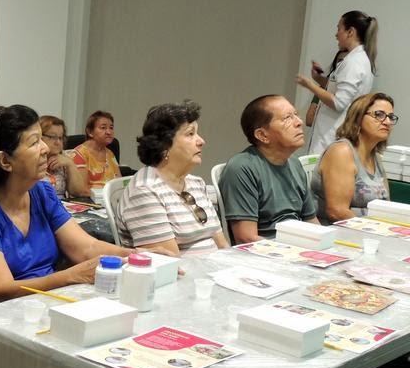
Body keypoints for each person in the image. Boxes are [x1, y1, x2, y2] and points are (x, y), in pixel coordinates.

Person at [0, 105, 170, 343]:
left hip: (42, 307)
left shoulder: (41, 192)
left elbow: (86, 248)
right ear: (4, 160)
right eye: (33, 143)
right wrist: (72, 276)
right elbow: (0, 291)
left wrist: (134, 255)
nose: (45, 149)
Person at [118, 101, 227, 256]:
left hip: (214, 274)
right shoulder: (145, 191)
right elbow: (170, 262)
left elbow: (222, 245)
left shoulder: (196, 183)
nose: (201, 141)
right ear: (164, 146)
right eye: (190, 134)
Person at [219, 95, 318, 244]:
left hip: (299, 246)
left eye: (295, 115)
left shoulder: (295, 163)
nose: (299, 122)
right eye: (287, 118)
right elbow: (246, 238)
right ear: (262, 135)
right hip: (265, 255)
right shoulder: (242, 168)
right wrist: (291, 253)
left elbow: (311, 221)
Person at [297, 10, 378, 155]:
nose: (336, 35)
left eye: (339, 29)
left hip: (333, 138)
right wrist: (319, 79)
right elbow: (340, 90)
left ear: (350, 32)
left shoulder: (354, 62)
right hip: (333, 137)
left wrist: (309, 85)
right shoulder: (355, 60)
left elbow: (339, 103)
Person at [311, 92, 395, 224]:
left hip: (370, 232)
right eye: (379, 115)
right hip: (338, 233)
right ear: (359, 117)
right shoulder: (341, 152)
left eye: (391, 117)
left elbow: (386, 205)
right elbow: (337, 212)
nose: (388, 122)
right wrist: (376, 229)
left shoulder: (376, 157)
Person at [39, 115, 89, 198]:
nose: (58, 142)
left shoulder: (64, 157)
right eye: (53, 137)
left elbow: (79, 192)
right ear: (40, 137)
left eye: (60, 137)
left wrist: (70, 165)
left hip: (61, 207)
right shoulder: (32, 159)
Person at [70, 110, 121, 190]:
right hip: (89, 200)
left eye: (111, 128)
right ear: (90, 132)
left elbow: (119, 183)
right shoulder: (79, 154)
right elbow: (81, 190)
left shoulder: (110, 154)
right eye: (103, 128)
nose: (109, 132)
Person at [305, 50, 348, 127]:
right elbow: (309, 120)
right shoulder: (323, 89)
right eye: (339, 62)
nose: (341, 66)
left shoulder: (354, 92)